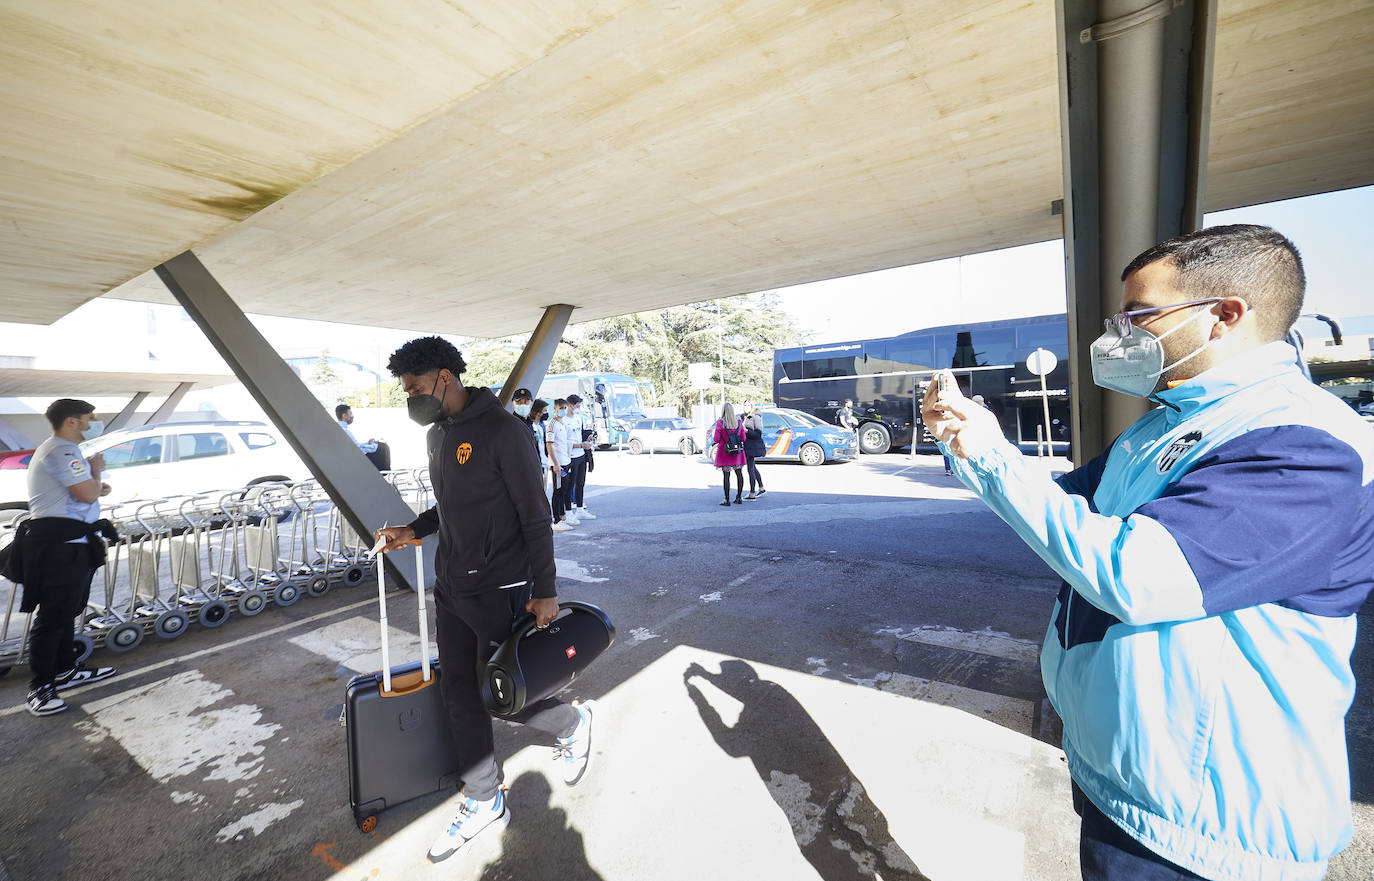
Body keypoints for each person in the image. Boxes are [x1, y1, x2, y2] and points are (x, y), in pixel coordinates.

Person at [922, 225, 1374, 881]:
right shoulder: (1168, 424)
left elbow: (1135, 573)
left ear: (1225, 315)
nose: (1118, 336)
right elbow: (1060, 509)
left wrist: (993, 455)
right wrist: (970, 447)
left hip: (1210, 825)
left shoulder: (1303, 441)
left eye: (1138, 315)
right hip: (1129, 779)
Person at [373, 338, 597, 863]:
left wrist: (545, 589)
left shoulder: (503, 431)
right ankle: (483, 799)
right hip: (450, 586)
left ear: (446, 378)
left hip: (502, 587)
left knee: (503, 693)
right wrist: (414, 529)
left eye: (417, 388)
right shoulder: (437, 435)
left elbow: (534, 514)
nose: (412, 398)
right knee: (458, 694)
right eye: (407, 390)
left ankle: (571, 724)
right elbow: (451, 505)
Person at [16, 399, 118, 716]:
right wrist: (96, 472)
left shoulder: (64, 451)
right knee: (53, 617)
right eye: (91, 417)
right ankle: (40, 689)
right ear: (72, 421)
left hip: (72, 543)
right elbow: (87, 493)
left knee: (66, 613)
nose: (95, 421)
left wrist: (93, 481)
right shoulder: (60, 450)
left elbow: (85, 491)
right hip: (59, 548)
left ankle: (65, 670)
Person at [564, 394, 596, 522]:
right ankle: (568, 512)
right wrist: (580, 445)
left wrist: (587, 438)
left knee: (580, 483)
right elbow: (563, 441)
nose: (579, 408)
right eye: (577, 405)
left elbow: (580, 433)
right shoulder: (563, 421)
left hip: (581, 455)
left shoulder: (578, 417)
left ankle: (580, 509)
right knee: (569, 485)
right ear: (570, 405)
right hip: (570, 457)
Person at [549, 398, 577, 531]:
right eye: (560, 408)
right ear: (555, 409)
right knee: (558, 492)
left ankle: (562, 516)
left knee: (564, 491)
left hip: (566, 462)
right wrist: (555, 464)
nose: (563, 410)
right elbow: (549, 445)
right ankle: (556, 520)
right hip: (558, 464)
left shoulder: (563, 423)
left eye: (565, 408)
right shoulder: (552, 424)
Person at [335, 404, 390, 470]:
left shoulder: (339, 429)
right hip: (357, 458)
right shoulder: (344, 431)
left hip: (353, 456)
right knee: (382, 446)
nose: (352, 416)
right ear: (344, 416)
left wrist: (368, 443)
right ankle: (384, 470)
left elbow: (355, 445)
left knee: (379, 445)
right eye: (350, 413)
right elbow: (357, 448)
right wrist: (373, 445)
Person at [712, 403, 747, 506]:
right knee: (739, 474)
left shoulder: (720, 423)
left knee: (726, 476)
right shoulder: (739, 422)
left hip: (725, 452)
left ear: (723, 410)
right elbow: (744, 438)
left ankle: (727, 500)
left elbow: (716, 439)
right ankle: (739, 497)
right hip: (737, 452)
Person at [740, 401, 767, 500]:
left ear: (752, 406)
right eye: (744, 405)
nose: (746, 407)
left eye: (748, 405)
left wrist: (747, 431)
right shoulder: (744, 416)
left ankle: (752, 493)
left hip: (753, 446)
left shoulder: (756, 416)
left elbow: (758, 433)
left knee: (750, 469)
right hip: (747, 445)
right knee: (753, 467)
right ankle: (761, 487)